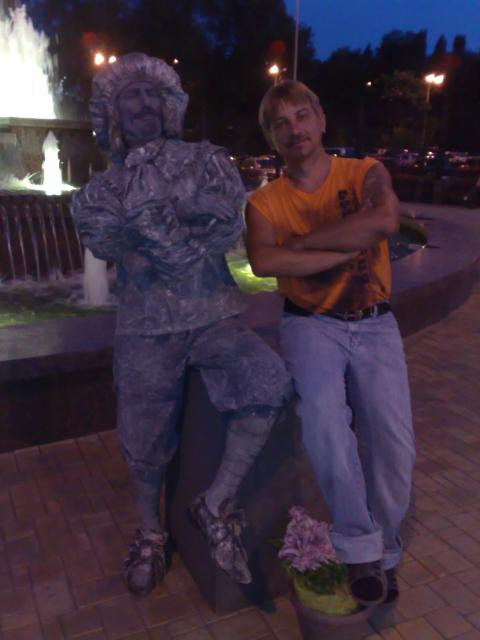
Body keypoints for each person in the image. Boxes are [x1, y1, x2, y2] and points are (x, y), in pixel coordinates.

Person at [72, 53, 291, 597]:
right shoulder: (101, 191)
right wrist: (173, 221)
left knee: (268, 378)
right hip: (145, 326)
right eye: (132, 95)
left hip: (214, 316)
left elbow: (224, 225)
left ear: (169, 105)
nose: (144, 103)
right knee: (142, 435)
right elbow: (108, 239)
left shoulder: (206, 160)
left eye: (153, 94)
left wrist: (159, 226)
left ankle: (215, 502)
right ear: (113, 112)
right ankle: (151, 531)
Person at [246, 80, 415, 606]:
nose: (294, 128)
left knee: (394, 446)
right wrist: (348, 245)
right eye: (280, 123)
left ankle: (385, 551)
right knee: (324, 424)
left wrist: (303, 244)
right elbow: (265, 261)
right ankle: (361, 548)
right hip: (310, 324)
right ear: (272, 138)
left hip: (375, 322)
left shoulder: (365, 173)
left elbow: (385, 220)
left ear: (320, 120)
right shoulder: (264, 203)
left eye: (302, 116)